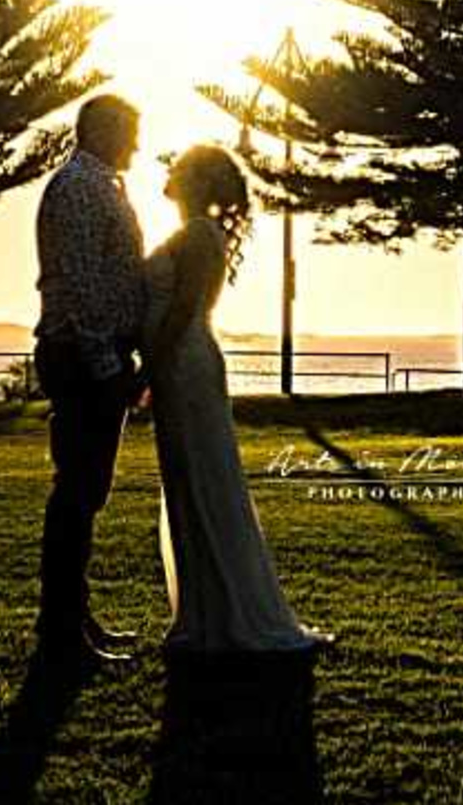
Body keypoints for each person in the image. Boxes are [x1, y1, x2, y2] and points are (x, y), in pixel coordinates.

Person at [146, 143, 329, 655]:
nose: (171, 170)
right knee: (186, 482)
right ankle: (202, 614)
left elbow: (183, 311)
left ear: (201, 183)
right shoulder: (191, 234)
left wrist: (149, 366)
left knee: (203, 480)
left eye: (180, 167)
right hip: (175, 369)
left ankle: (225, 617)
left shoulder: (200, 236)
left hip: (185, 368)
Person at [32, 94, 148, 665]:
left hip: (96, 356)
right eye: (130, 132)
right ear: (102, 130)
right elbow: (77, 288)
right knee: (76, 493)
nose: (138, 144)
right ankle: (61, 631)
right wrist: (107, 369)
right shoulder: (79, 187)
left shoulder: (99, 184)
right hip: (83, 359)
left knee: (86, 492)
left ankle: (75, 618)